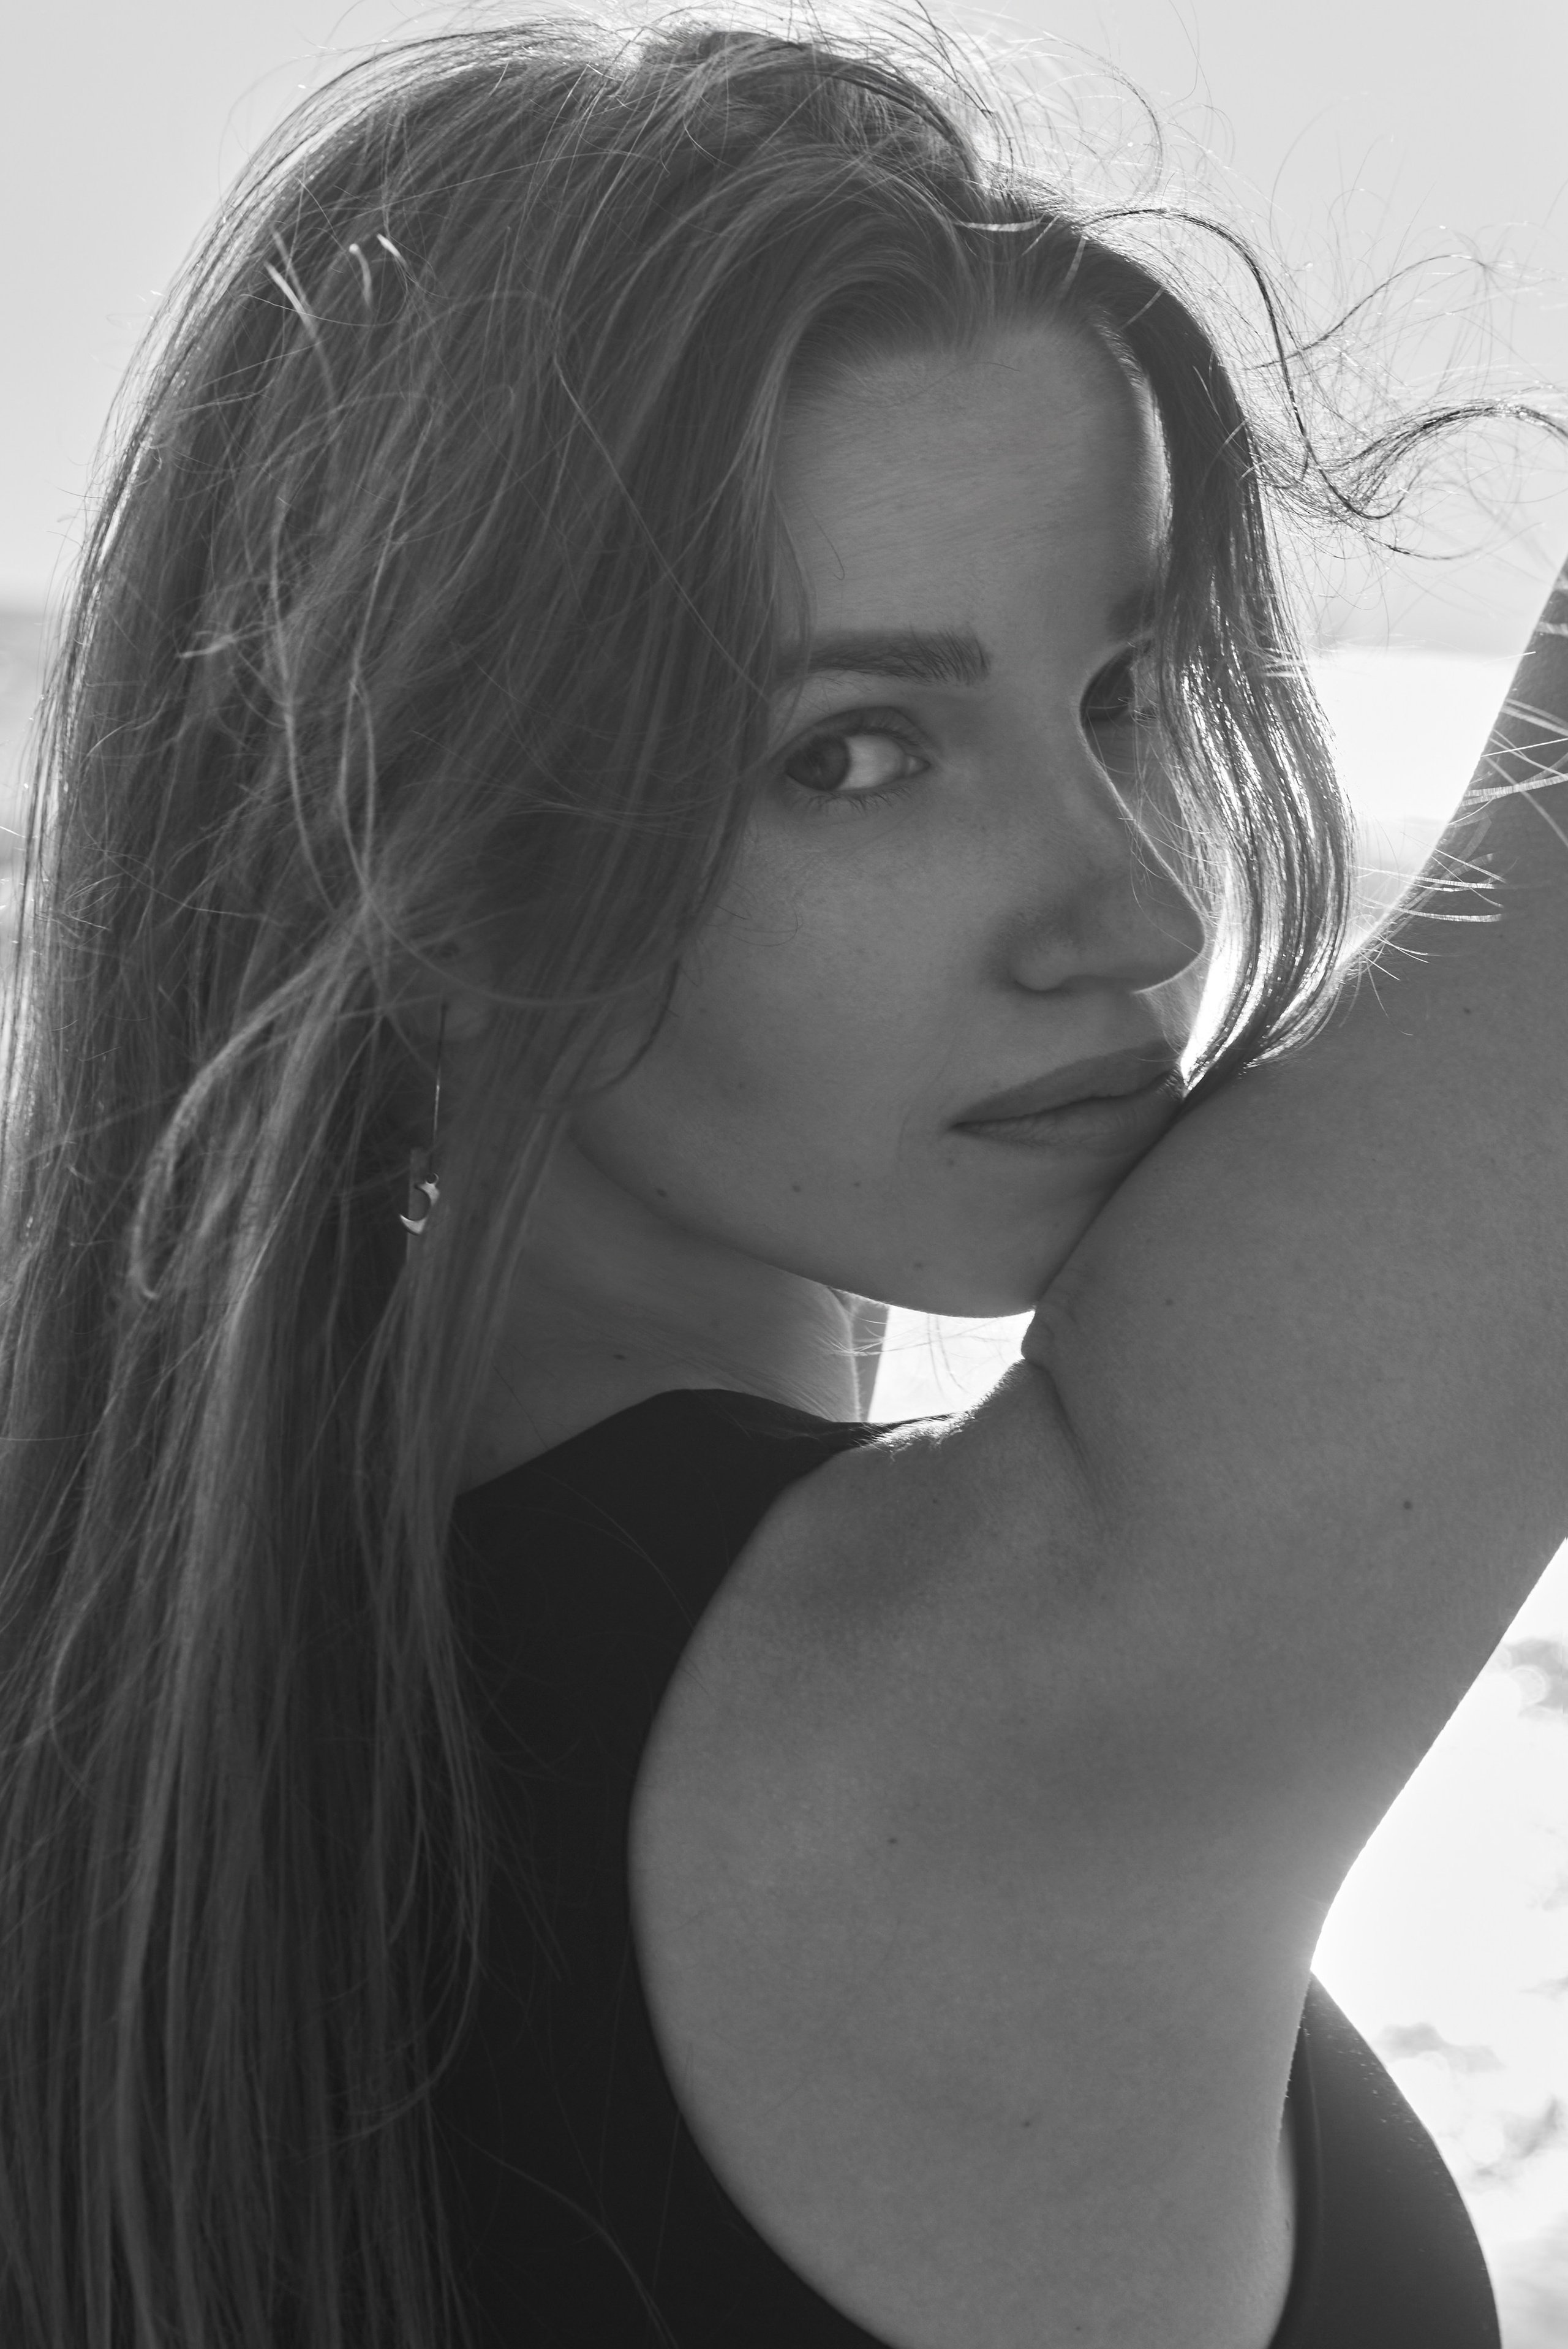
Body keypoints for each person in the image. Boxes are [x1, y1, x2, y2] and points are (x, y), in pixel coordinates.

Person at [0, 8, 1562, 2346]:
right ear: (420, 867)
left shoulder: (128, 1766)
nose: (1133, 906)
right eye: (854, 753)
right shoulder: (957, 1704)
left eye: (1126, 685)